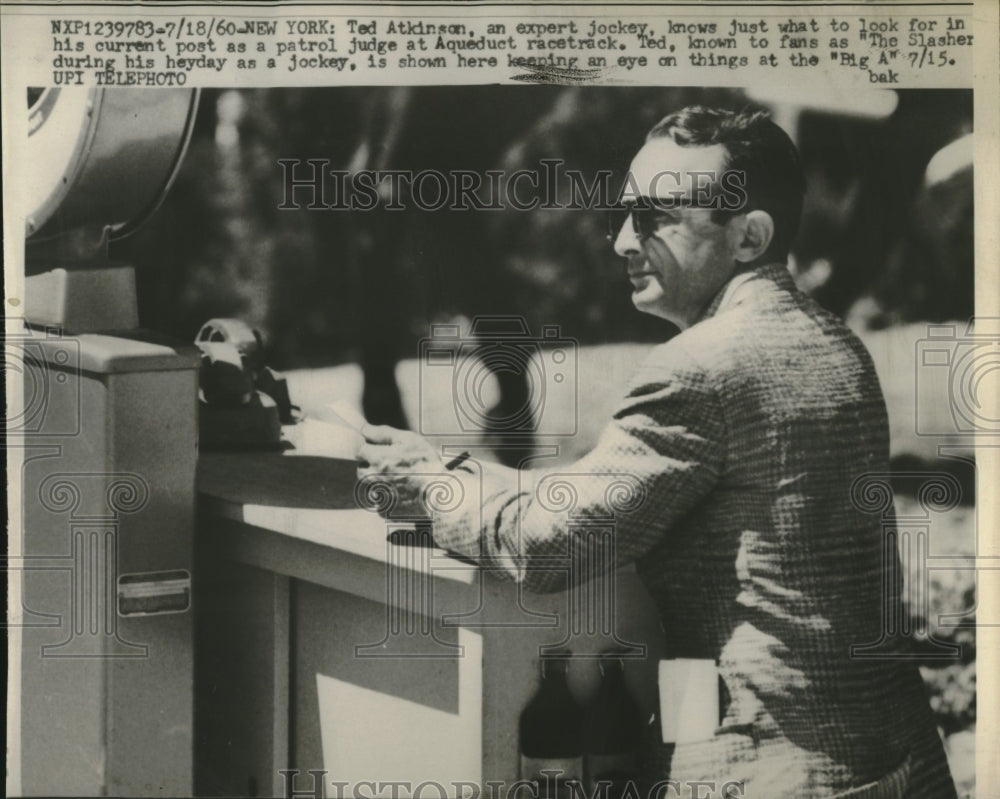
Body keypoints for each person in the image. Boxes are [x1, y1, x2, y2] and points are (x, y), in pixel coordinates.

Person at [357, 106, 956, 798]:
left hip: (774, 776)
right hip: (896, 763)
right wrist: (466, 471)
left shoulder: (699, 368)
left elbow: (544, 544)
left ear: (749, 236)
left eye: (653, 218)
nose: (620, 242)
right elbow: (606, 487)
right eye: (624, 215)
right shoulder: (834, 343)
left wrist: (432, 482)